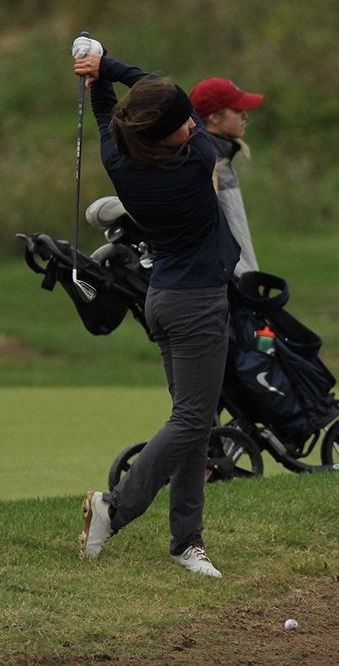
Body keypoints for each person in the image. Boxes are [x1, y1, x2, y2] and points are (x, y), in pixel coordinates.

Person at [73, 40, 240, 579]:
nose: (193, 126)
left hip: (165, 298)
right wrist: (108, 64)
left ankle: (186, 541)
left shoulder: (119, 158)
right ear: (163, 136)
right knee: (194, 418)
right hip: (195, 303)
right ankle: (114, 509)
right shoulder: (198, 163)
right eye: (183, 125)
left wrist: (94, 73)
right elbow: (164, 90)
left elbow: (114, 109)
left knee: (192, 419)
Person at [189, 77, 263, 276]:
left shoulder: (220, 157)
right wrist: (247, 280)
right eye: (238, 111)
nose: (245, 116)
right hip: (229, 286)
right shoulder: (209, 165)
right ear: (214, 117)